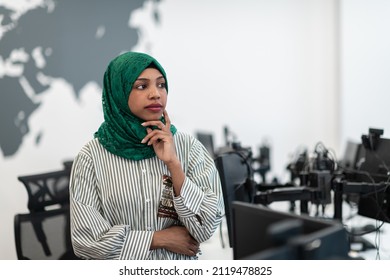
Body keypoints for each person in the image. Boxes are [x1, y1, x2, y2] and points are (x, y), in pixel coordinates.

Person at [69, 51, 224, 260]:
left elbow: (206, 229)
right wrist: (157, 239)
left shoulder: (189, 147)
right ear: (119, 92)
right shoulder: (91, 157)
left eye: (161, 85)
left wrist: (174, 165)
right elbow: (86, 243)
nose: (156, 94)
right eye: (142, 86)